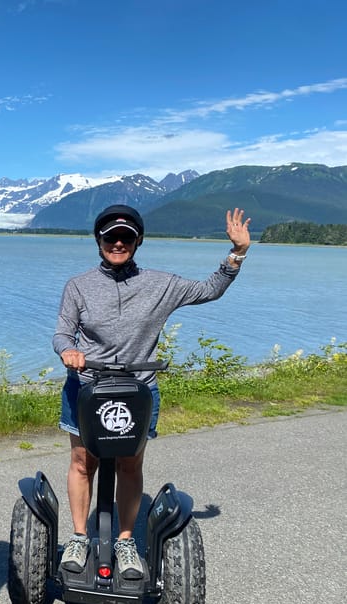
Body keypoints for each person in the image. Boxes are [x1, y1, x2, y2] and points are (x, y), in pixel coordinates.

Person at [52, 203, 250, 579]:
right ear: (99, 240)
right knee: (82, 463)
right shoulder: (78, 285)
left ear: (138, 241)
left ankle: (125, 540)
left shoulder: (161, 284)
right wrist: (69, 350)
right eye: (111, 236)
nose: (118, 243)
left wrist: (237, 253)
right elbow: (62, 331)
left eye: (126, 237)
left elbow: (210, 290)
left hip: (137, 389)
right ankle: (79, 536)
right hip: (87, 387)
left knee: (130, 464)